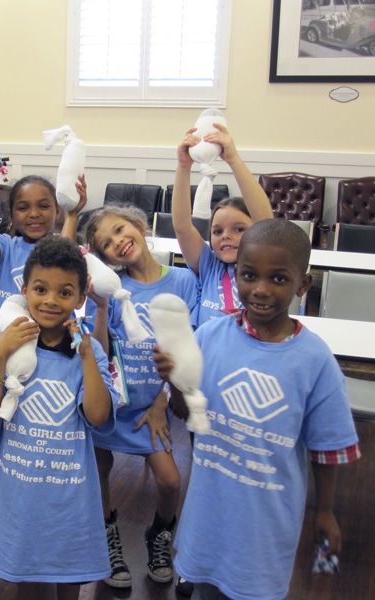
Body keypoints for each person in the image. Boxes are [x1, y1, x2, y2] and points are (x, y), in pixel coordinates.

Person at [154, 219, 360, 600]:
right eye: (249, 275)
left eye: (278, 279)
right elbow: (188, 415)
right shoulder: (210, 337)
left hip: (265, 526)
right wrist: (177, 381)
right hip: (207, 514)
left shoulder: (314, 360)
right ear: (236, 275)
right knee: (204, 589)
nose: (261, 290)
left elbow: (328, 447)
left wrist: (326, 511)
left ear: (303, 284)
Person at [0, 236, 117, 600]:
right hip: (18, 491)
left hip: (70, 494)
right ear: (24, 290)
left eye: (65, 292)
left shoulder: (89, 349)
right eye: (40, 289)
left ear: (81, 298)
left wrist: (85, 357)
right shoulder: (7, 342)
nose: (50, 300)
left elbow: (97, 417)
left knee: (68, 576)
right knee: (28, 577)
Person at [83, 204, 198, 589]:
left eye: (120, 230)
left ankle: (159, 534)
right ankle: (107, 534)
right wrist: (100, 309)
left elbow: (187, 350)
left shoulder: (183, 281)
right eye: (107, 244)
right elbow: (99, 352)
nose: (118, 242)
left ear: (139, 224)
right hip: (114, 404)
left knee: (169, 481)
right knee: (98, 470)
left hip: (152, 406)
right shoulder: (112, 291)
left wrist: (162, 403)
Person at [172, 123, 273, 325]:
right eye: (217, 231)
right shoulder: (210, 266)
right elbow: (183, 227)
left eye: (239, 229)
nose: (225, 235)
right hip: (209, 356)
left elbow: (267, 224)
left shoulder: (264, 264)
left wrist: (233, 159)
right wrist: (184, 166)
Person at [0, 172, 86, 335]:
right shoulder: (6, 246)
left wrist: (72, 215)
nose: (34, 214)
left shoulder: (59, 248)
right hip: (0, 348)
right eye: (23, 208)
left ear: (57, 211)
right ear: (12, 214)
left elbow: (64, 254)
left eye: (43, 206)